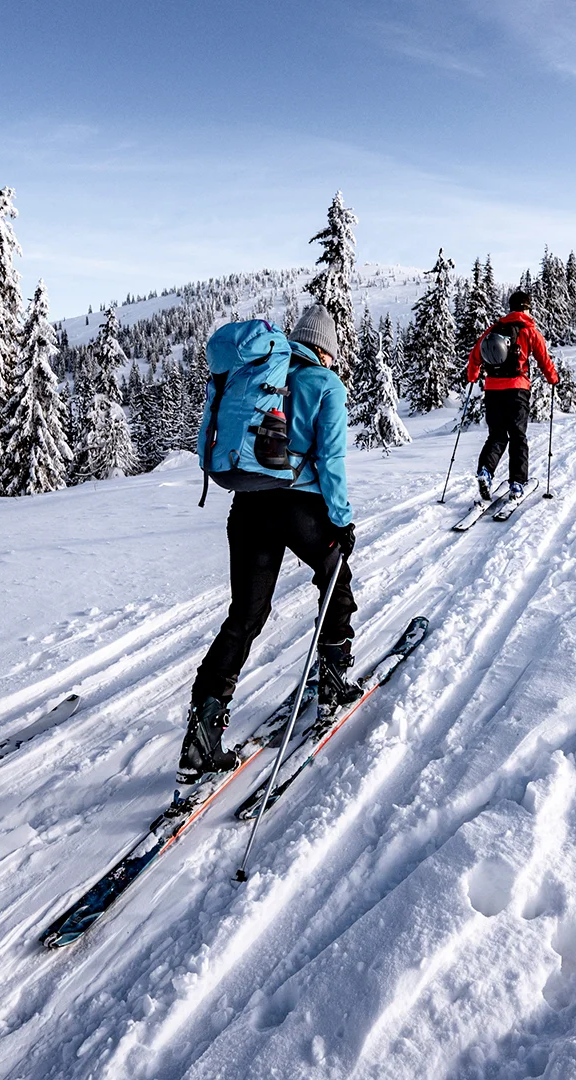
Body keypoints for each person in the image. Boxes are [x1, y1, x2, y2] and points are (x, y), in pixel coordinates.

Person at [181, 306, 358, 784]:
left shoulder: (257, 373)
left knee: (245, 616)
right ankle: (335, 678)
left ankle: (201, 736)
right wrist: (341, 522)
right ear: (325, 348)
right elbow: (332, 461)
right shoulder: (326, 385)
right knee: (335, 577)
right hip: (300, 510)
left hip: (248, 506)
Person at [466, 289, 560, 502]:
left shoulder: (495, 328)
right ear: (527, 308)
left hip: (492, 390)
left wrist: (473, 377)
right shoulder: (529, 331)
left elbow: (475, 355)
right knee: (518, 436)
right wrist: (553, 379)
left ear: (510, 307)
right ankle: (517, 484)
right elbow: (544, 359)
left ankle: (485, 473)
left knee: (496, 436)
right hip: (517, 390)